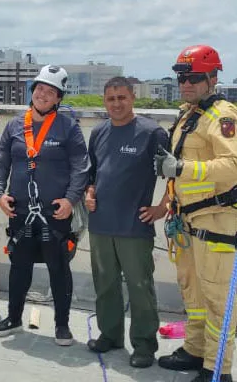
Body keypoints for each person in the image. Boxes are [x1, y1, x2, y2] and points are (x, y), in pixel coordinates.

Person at [0, 64, 88, 346]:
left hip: (54, 213)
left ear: (59, 98)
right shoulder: (15, 126)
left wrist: (70, 200)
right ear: (32, 92)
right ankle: (14, 317)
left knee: (58, 267)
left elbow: (81, 167)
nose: (43, 95)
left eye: (51, 91)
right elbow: (0, 162)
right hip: (20, 210)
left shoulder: (68, 127)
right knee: (20, 266)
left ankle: (62, 325)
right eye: (40, 89)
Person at [155, 45, 237, 382]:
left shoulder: (223, 116)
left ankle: (218, 367)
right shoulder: (190, 114)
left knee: (217, 297)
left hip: (215, 220)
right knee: (193, 291)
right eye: (180, 77)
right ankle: (195, 349)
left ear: (212, 78)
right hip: (187, 219)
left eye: (192, 77)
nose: (185, 83)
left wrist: (184, 167)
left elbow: (233, 164)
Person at [85, 76, 168, 368]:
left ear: (133, 98)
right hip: (101, 224)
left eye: (122, 97)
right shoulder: (98, 132)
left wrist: (162, 208)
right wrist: (89, 193)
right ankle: (110, 334)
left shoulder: (152, 133)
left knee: (139, 286)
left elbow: (174, 176)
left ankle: (144, 345)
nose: (116, 104)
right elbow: (91, 174)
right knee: (105, 284)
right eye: (111, 99)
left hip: (134, 226)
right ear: (104, 101)